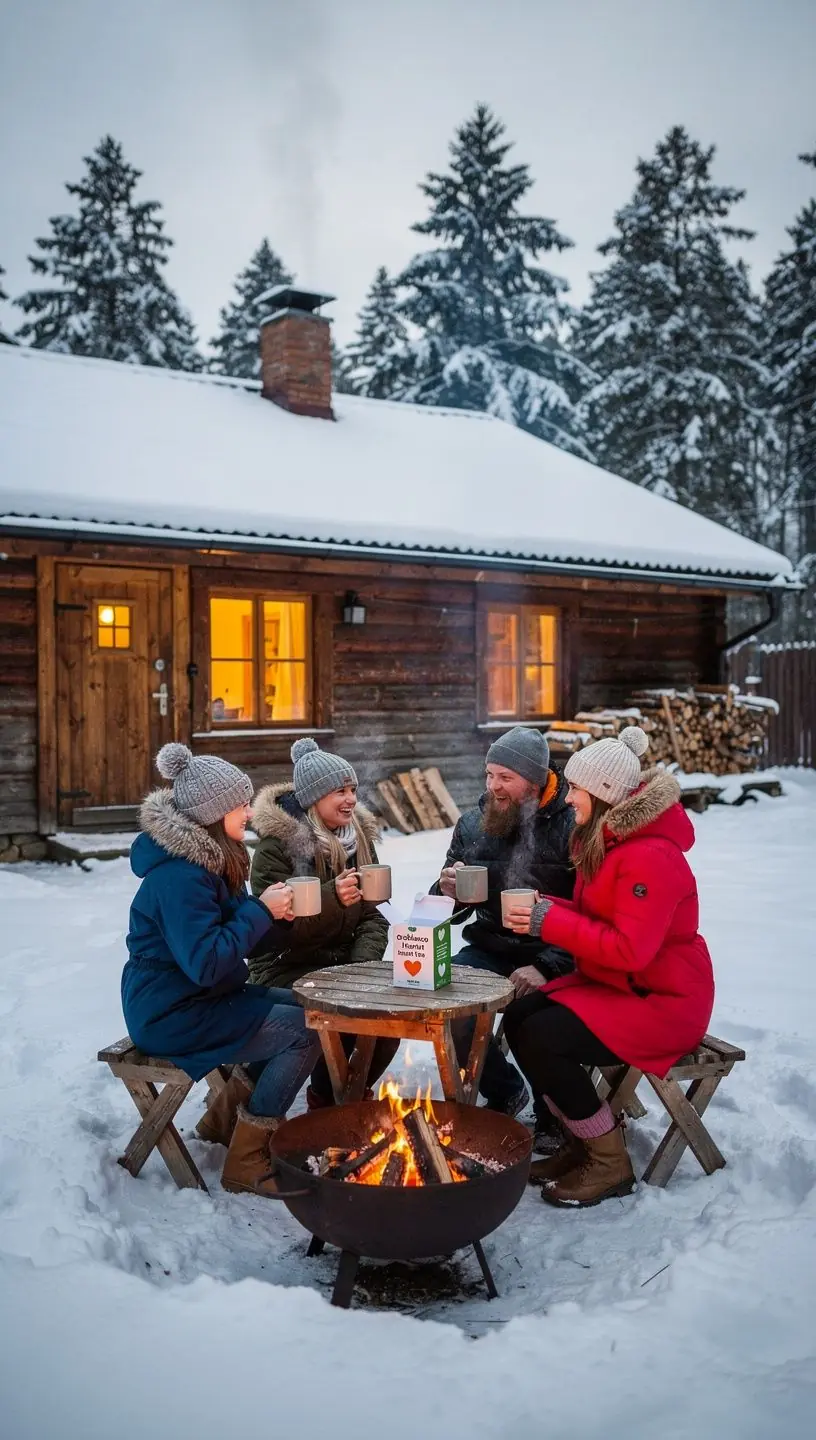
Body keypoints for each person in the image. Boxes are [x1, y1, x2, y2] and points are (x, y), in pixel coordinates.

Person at [503, 725, 715, 1208]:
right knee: (519, 1017)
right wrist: (548, 908)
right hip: (623, 987)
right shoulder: (612, 842)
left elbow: (630, 949)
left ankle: (608, 1162)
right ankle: (581, 1144)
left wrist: (549, 922)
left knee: (543, 1035)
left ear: (601, 795)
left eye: (576, 788)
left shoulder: (650, 857)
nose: (570, 796)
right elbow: (603, 921)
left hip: (662, 1003)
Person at [122, 743, 321, 1198]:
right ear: (213, 812)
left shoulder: (214, 857)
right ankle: (247, 1159)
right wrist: (261, 912)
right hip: (171, 1013)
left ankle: (222, 1121)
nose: (249, 812)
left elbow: (234, 938)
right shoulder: (179, 876)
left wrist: (278, 919)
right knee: (307, 1030)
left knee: (309, 1008)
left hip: (200, 998)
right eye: (240, 804)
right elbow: (207, 962)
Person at [433, 726, 575, 1126]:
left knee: (530, 1018)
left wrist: (549, 965)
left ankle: (554, 1116)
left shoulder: (574, 825)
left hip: (552, 951)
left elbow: (593, 912)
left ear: (534, 780)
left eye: (505, 777)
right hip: (489, 945)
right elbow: (447, 905)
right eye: (489, 774)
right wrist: (447, 889)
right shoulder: (473, 824)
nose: (493, 786)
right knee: (444, 999)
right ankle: (505, 1090)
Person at [249, 738, 398, 1105]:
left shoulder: (358, 840)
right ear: (313, 799)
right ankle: (327, 1103)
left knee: (388, 1020)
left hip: (341, 962)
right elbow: (274, 932)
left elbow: (376, 915)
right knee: (336, 1013)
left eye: (352, 789)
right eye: (338, 792)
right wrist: (332, 899)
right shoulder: (275, 850)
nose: (350, 799)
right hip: (287, 965)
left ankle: (333, 1099)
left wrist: (360, 967)